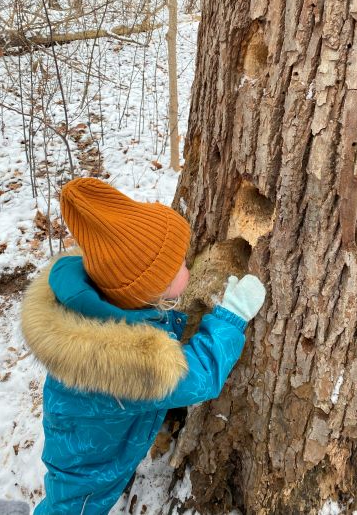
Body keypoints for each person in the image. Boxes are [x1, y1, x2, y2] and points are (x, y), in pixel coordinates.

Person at [21, 177, 266, 514]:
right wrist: (232, 317)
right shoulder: (129, 363)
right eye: (178, 265)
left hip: (80, 437)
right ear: (149, 289)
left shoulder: (104, 299)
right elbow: (198, 376)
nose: (188, 265)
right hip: (89, 470)